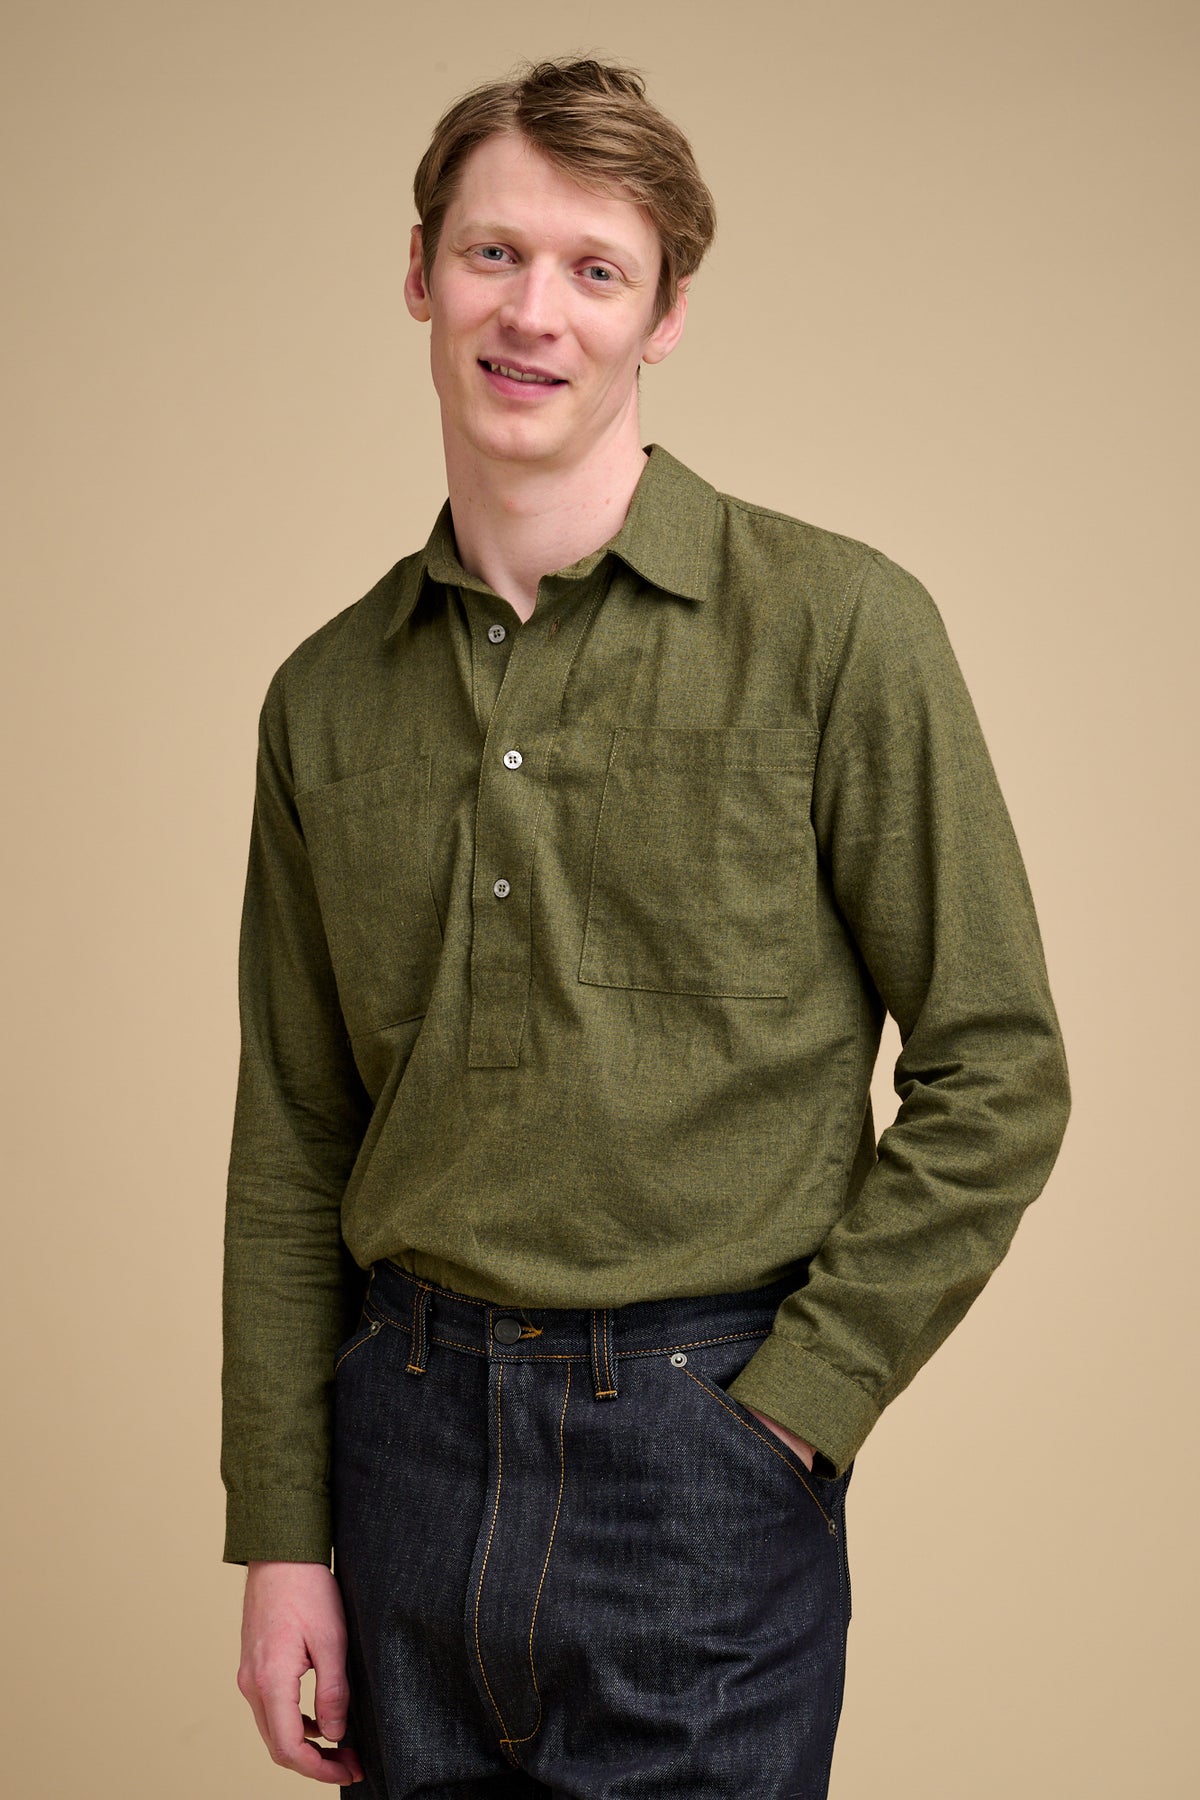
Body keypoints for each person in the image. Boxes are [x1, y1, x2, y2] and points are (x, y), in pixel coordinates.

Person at [222, 55, 1070, 1799]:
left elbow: (1001, 1066)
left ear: (664, 314)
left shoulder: (839, 628)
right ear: (417, 274)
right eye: (492, 255)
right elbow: (295, 1137)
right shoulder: (322, 697)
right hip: (399, 1460)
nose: (534, 313)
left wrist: (797, 1411)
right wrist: (279, 1530)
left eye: (595, 269)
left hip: (701, 1453)